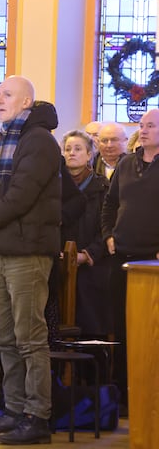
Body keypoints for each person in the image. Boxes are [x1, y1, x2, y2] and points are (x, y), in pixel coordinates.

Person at [0, 76, 60, 444]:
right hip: (2, 248)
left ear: (26, 102)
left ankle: (37, 417)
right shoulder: (6, 136)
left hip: (29, 250)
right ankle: (14, 410)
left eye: (7, 95)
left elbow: (20, 197)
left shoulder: (38, 140)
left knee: (29, 337)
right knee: (4, 334)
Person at [101, 108, 159, 415]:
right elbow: (109, 205)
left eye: (151, 125)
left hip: (154, 262)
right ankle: (124, 395)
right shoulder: (126, 164)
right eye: (142, 125)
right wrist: (108, 235)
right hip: (121, 257)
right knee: (122, 328)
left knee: (153, 330)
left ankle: (152, 394)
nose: (145, 130)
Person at [62, 130, 111, 338]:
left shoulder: (103, 188)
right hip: (60, 265)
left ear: (90, 154)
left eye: (78, 149)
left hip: (93, 269)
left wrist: (87, 254)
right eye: (67, 149)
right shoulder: (54, 187)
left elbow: (107, 227)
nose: (71, 153)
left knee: (90, 327)